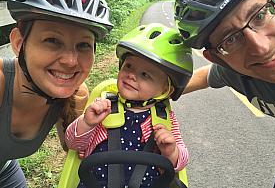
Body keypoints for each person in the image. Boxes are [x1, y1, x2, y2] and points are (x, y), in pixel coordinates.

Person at [174, 0, 275, 187]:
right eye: (230, 39)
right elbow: (202, 78)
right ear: (218, 58)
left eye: (259, 15)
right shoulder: (233, 70)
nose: (261, 48)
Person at [0, 0, 113, 187]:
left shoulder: (77, 93)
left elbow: (72, 147)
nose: (71, 61)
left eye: (83, 45)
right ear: (18, 43)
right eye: (52, 40)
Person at [65, 23, 192, 188]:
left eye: (145, 74)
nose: (131, 75)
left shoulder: (163, 119)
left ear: (166, 89)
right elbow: (73, 144)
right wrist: (87, 123)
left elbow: (180, 163)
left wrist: (171, 151)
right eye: (129, 66)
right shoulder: (103, 107)